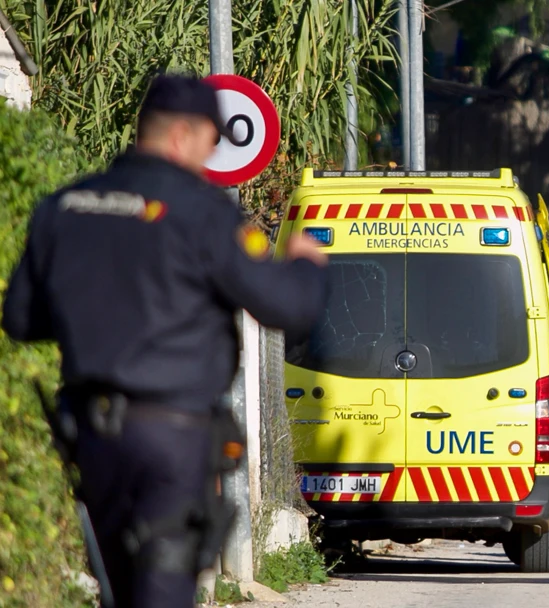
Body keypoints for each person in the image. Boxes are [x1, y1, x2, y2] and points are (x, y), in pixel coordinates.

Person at [1, 73, 330, 608]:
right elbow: (285, 307)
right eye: (210, 141)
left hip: (93, 436)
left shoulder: (65, 207)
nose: (211, 154)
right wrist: (306, 267)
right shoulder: (204, 215)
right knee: (162, 590)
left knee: (119, 590)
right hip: (172, 440)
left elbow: (21, 320)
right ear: (182, 135)